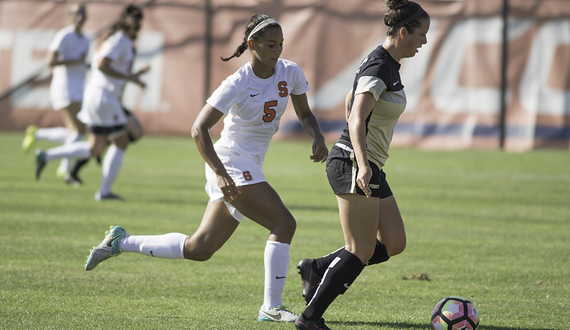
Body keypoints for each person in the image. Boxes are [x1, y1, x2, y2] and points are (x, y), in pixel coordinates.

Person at [83, 14, 329, 323]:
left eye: (280, 44)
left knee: (200, 248)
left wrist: (317, 135)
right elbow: (198, 129)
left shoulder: (289, 72)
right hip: (229, 161)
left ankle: (121, 241)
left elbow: (305, 114)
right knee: (284, 224)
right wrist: (221, 173)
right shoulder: (237, 82)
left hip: (248, 164)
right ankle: (272, 307)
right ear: (252, 44)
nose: (277, 50)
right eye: (270, 44)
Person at [294, 1, 430, 329]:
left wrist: (368, 160)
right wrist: (362, 161)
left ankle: (320, 267)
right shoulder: (380, 65)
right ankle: (310, 318)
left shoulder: (387, 64)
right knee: (360, 250)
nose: (424, 42)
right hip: (353, 163)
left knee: (394, 242)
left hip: (367, 163)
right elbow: (356, 116)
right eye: (421, 35)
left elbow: (349, 100)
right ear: (403, 32)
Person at [35, 5, 148, 200]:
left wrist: (133, 77)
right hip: (104, 97)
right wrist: (129, 77)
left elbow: (109, 67)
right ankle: (104, 192)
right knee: (121, 142)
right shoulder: (119, 39)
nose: (137, 22)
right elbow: (102, 64)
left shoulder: (121, 40)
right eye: (133, 18)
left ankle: (46, 156)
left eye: (139, 18)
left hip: (99, 96)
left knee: (95, 148)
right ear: (125, 20)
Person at [22, 3, 89, 182]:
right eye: (76, 14)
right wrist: (75, 61)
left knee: (73, 132)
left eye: (82, 14)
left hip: (78, 88)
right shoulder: (64, 35)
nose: (80, 18)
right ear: (70, 16)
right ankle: (63, 169)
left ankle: (37, 134)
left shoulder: (86, 39)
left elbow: (80, 63)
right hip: (65, 88)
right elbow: (50, 61)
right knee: (79, 130)